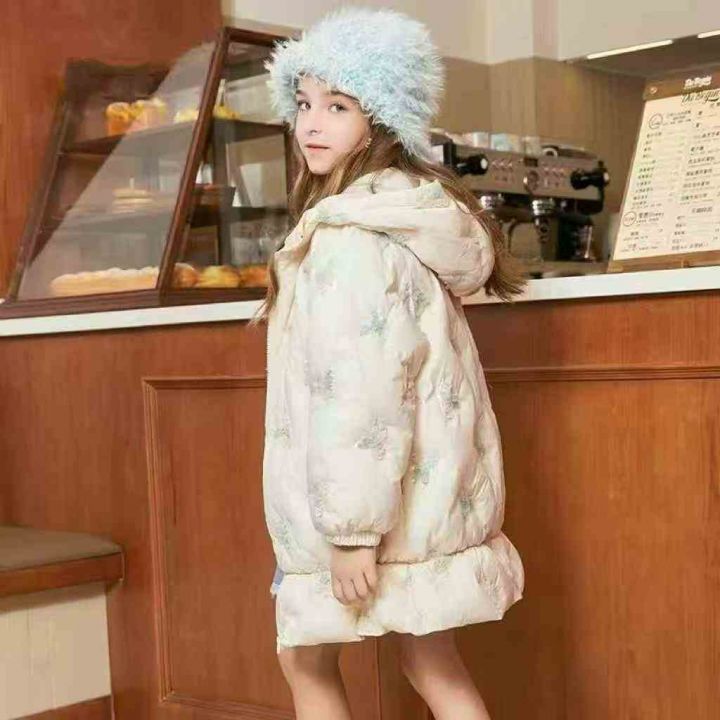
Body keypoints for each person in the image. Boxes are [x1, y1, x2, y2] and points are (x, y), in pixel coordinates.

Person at [249, 6, 527, 719]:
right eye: (304, 103)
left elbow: (362, 396)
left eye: (337, 106)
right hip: (422, 505)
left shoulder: (351, 242)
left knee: (304, 659)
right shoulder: (404, 218)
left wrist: (351, 534)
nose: (311, 124)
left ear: (380, 121)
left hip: (370, 513)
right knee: (430, 661)